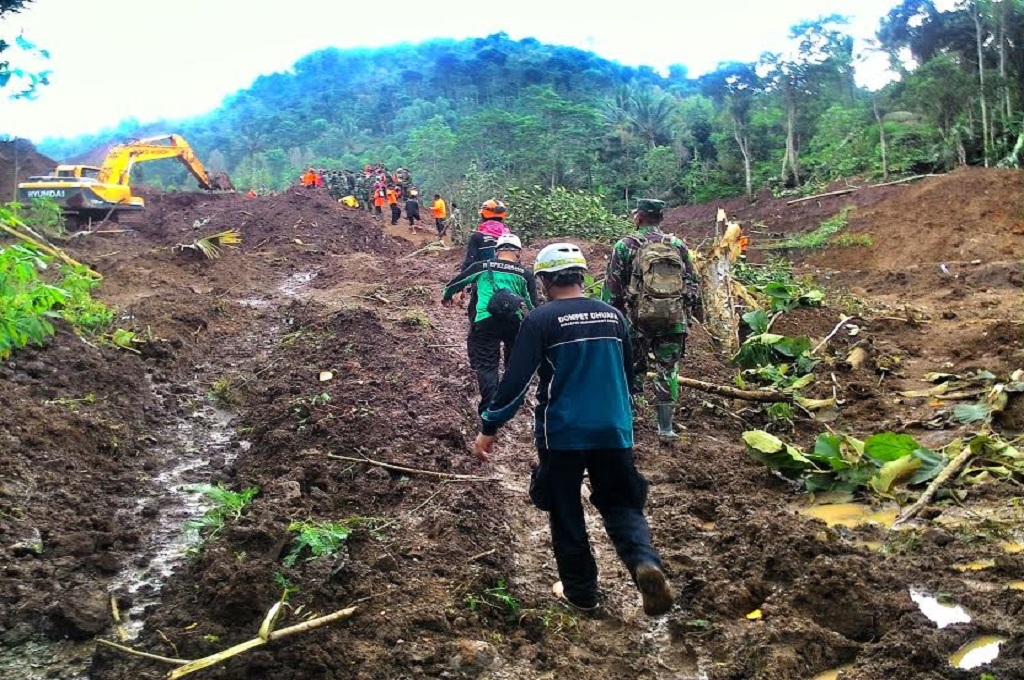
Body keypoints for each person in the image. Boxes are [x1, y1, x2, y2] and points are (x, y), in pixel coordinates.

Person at [473, 243, 674, 617]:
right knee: (621, 503)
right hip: (614, 428)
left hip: (562, 432)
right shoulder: (614, 317)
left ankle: (581, 592)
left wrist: (490, 426)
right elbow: (630, 377)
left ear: (544, 280)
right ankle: (645, 563)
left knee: (565, 509)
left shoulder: (540, 320)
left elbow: (515, 381)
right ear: (582, 275)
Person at [605, 198, 700, 439]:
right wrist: (686, 315)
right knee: (668, 369)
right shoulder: (677, 244)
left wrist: (614, 319)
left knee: (633, 368)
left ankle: (631, 422)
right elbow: (693, 283)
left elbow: (613, 290)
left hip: (637, 321)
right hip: (673, 319)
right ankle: (665, 428)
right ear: (660, 217)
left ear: (639, 217)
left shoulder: (625, 245)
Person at [441, 234, 539, 415]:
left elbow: (457, 282)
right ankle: (509, 401)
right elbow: (533, 306)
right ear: (518, 252)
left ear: (497, 251)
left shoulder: (482, 266)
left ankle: (488, 407)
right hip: (514, 322)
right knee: (514, 363)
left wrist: (447, 296)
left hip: (485, 320)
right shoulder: (525, 274)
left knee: (487, 365)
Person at [460, 199, 510, 271]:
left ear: (483, 215)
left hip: (485, 279)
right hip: (507, 279)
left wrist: (460, 280)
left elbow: (470, 262)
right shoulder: (510, 237)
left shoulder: (477, 237)